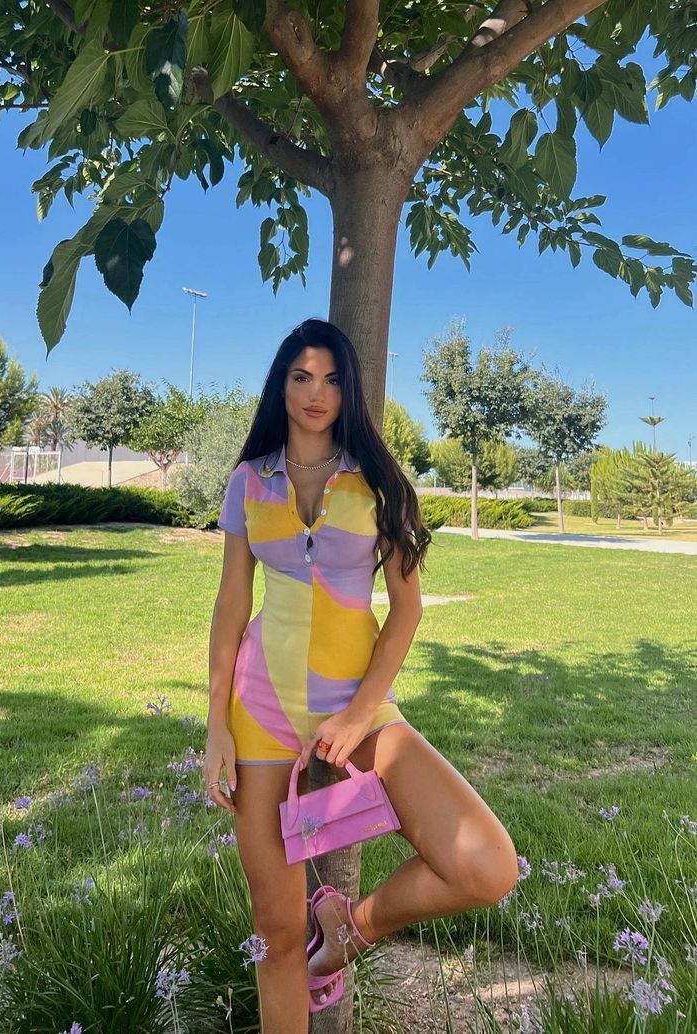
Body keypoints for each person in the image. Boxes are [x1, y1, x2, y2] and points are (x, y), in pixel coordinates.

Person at [204, 319, 519, 1033]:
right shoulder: (248, 482)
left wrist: (357, 714)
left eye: (332, 378)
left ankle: (351, 927)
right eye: (301, 377)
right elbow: (231, 607)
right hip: (260, 711)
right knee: (277, 932)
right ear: (281, 386)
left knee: (486, 865)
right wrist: (215, 724)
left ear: (350, 390)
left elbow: (407, 609)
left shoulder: (378, 482)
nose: (316, 393)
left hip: (360, 706)